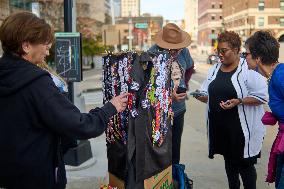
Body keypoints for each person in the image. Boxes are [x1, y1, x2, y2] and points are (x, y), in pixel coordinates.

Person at [0, 12, 128, 189]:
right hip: (38, 176)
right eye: (44, 43)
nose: (48, 48)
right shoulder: (36, 83)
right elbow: (78, 124)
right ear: (26, 46)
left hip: (9, 173)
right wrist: (109, 108)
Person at [194, 31, 268, 189]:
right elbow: (207, 91)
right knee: (230, 165)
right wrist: (203, 96)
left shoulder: (248, 69)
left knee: (245, 166)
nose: (220, 55)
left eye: (223, 51)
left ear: (235, 50)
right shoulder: (214, 69)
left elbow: (262, 96)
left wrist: (239, 101)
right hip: (222, 128)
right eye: (218, 51)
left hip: (242, 130)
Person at [149, 23, 194, 165]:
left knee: (175, 148)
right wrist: (169, 95)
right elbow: (149, 88)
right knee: (159, 148)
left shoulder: (184, 52)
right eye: (172, 49)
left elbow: (190, 67)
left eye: (178, 48)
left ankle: (174, 177)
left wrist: (184, 84)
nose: (176, 52)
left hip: (179, 109)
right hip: (159, 112)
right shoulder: (152, 54)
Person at [244, 31, 284, 188]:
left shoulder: (280, 75)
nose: (244, 57)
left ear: (258, 58)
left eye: (246, 54)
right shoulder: (274, 75)